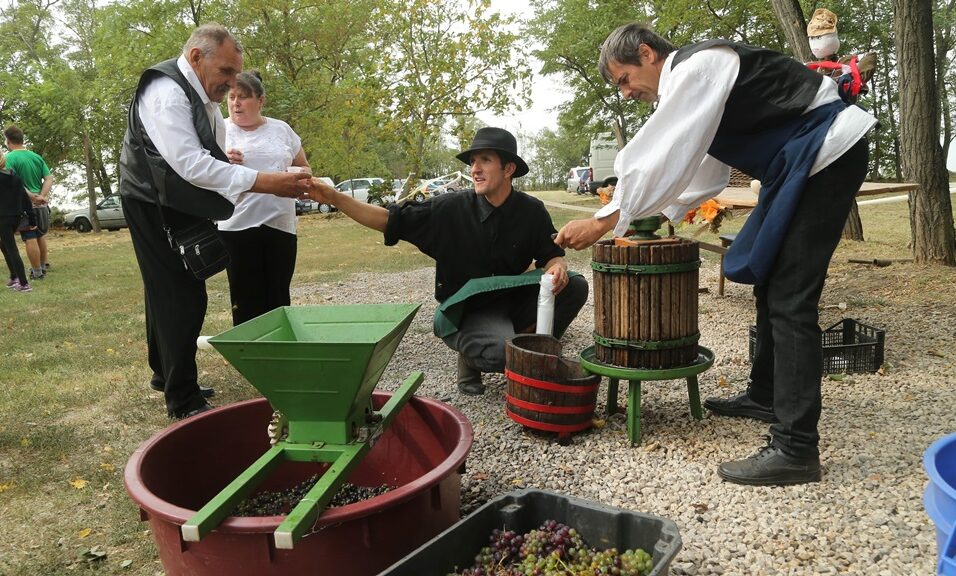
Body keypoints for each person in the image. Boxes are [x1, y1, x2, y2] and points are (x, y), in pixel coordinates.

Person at [555, 23, 876, 485]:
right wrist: (655, 211)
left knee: (792, 299)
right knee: (770, 280)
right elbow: (699, 170)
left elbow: (662, 151)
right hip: (798, 162)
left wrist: (607, 218)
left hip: (825, 151)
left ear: (646, 53)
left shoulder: (700, 66)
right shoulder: (695, 85)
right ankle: (767, 395)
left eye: (624, 79)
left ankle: (796, 447)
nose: (625, 93)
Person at [119, 24, 312, 419]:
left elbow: (210, 156)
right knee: (181, 292)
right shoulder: (167, 94)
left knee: (165, 287)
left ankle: (164, 373)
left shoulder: (201, 94)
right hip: (148, 200)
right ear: (196, 58)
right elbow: (190, 164)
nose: (230, 83)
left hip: (171, 196)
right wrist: (267, 182)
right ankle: (183, 398)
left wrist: (232, 168)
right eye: (225, 72)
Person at [304, 127, 588, 395]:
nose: (474, 169)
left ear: (509, 169)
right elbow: (387, 220)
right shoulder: (448, 209)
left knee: (575, 286)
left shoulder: (531, 211)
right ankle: (473, 356)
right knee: (501, 354)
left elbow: (551, 256)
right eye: (473, 162)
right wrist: (334, 197)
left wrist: (557, 267)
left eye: (485, 160)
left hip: (513, 302)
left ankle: (527, 346)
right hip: (469, 310)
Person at [219, 71, 310, 325]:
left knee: (278, 296)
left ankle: (282, 355)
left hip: (280, 225)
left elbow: (304, 166)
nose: (235, 103)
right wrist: (223, 162)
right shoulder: (219, 129)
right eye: (232, 96)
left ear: (260, 101)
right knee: (245, 299)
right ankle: (250, 356)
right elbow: (202, 172)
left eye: (243, 97)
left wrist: (300, 175)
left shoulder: (282, 130)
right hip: (235, 227)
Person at [3, 125, 52, 280]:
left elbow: (15, 183)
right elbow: (49, 178)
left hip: (25, 205)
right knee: (40, 235)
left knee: (30, 236)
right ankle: (43, 265)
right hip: (41, 204)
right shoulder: (36, 157)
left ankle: (37, 272)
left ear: (8, 141)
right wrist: (41, 196)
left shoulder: (9, 158)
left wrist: (32, 198)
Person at [0, 151, 35, 292]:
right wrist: (32, 218)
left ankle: (24, 283)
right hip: (15, 217)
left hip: (2, 218)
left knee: (11, 248)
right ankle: (14, 276)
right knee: (4, 244)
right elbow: (25, 198)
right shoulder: (14, 176)